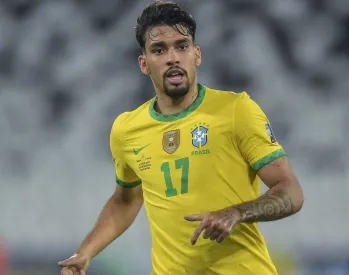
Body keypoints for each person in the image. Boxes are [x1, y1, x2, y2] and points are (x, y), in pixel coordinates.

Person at [58, 1, 304, 274]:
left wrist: (236, 213)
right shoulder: (127, 130)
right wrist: (85, 252)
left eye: (182, 46)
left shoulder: (236, 111)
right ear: (144, 63)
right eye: (159, 50)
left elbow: (290, 191)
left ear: (196, 55)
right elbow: (125, 200)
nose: (173, 57)